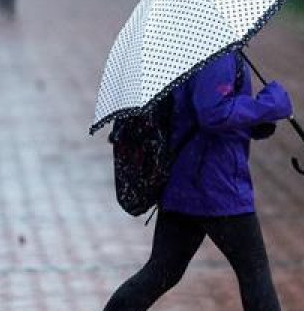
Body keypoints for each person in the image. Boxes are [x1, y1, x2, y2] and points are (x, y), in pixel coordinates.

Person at [104, 50, 292, 311]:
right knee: (254, 272)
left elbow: (201, 110)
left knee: (162, 272)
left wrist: (259, 121)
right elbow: (212, 113)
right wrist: (266, 106)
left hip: (186, 183)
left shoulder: (199, 49)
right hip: (216, 186)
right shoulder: (216, 54)